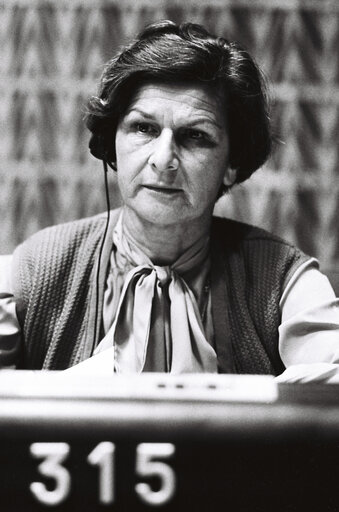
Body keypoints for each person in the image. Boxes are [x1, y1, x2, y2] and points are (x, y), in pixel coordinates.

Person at [0, 20, 338, 381]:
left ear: (232, 163)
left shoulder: (285, 280)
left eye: (195, 136)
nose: (163, 159)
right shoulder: (33, 271)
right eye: (143, 128)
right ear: (110, 145)